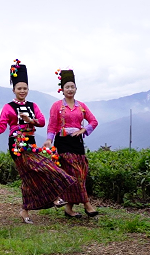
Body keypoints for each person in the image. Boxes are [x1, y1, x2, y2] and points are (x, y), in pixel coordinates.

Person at [0, 60, 77, 224]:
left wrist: (31, 120)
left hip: (31, 141)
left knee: (32, 176)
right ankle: (55, 197)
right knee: (38, 169)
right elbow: (1, 125)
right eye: (19, 88)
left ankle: (25, 210)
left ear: (28, 89)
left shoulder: (32, 105)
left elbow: (42, 121)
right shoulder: (8, 107)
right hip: (17, 145)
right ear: (14, 90)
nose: (22, 91)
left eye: (25, 88)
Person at [44, 69, 99, 217]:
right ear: (62, 89)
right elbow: (52, 125)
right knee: (75, 174)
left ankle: (69, 209)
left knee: (80, 174)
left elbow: (94, 121)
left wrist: (83, 130)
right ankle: (87, 204)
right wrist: (49, 139)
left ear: (76, 89)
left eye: (72, 87)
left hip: (78, 143)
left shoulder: (81, 106)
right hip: (63, 143)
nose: (70, 89)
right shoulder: (56, 106)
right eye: (67, 87)